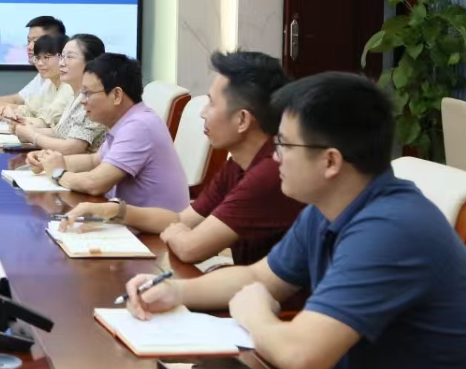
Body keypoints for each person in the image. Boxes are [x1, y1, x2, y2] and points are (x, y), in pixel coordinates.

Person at [124, 73, 466, 369]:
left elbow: (301, 357)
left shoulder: (391, 229)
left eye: (284, 144)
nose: (275, 157)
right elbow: (258, 277)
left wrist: (253, 313)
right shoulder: (326, 208)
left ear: (330, 161)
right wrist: (175, 291)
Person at [63, 50, 303, 265]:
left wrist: (178, 232)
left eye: (211, 104)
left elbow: (190, 248)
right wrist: (114, 211)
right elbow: (180, 219)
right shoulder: (237, 165)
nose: (203, 113)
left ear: (242, 120)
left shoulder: (268, 174)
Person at [34, 53, 188, 211]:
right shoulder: (128, 120)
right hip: (129, 219)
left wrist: (58, 173)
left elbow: (95, 183)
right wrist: (49, 161)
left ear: (116, 95)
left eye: (88, 93)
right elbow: (94, 160)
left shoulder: (139, 126)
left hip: (155, 226)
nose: (83, 100)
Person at [17, 34, 108, 159]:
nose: (61, 63)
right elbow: (60, 133)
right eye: (62, 56)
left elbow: (73, 148)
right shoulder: (75, 95)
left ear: (91, 63)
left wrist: (33, 136)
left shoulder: (93, 99)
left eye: (70, 57)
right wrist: (26, 129)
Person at [0, 16, 64, 110]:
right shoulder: (44, 74)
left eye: (36, 41)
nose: (29, 47)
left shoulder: (64, 79)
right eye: (28, 41)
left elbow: (33, 113)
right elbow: (18, 100)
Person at [0, 34, 74, 127]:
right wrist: (11, 112)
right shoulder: (49, 83)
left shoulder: (70, 86)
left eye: (46, 57)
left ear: (63, 57)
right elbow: (30, 109)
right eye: (37, 58)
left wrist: (15, 119)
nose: (39, 63)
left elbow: (46, 122)